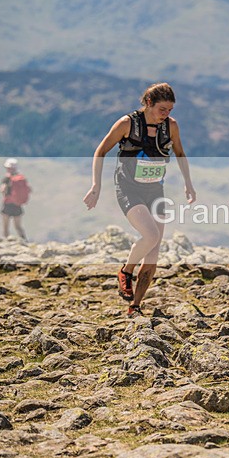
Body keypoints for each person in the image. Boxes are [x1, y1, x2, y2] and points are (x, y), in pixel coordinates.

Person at [83, 83, 196, 317]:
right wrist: (96, 185)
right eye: (162, 109)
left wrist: (188, 182)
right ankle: (126, 271)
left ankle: (134, 306)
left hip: (155, 190)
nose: (167, 114)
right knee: (151, 235)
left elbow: (180, 153)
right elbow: (101, 151)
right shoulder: (127, 124)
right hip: (128, 188)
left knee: (153, 252)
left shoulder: (171, 127)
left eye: (170, 110)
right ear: (148, 103)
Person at [0, 158, 30, 240]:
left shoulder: (7, 178)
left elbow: (2, 189)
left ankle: (5, 242)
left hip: (8, 204)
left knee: (5, 227)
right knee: (18, 226)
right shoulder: (21, 178)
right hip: (18, 204)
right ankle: (24, 241)